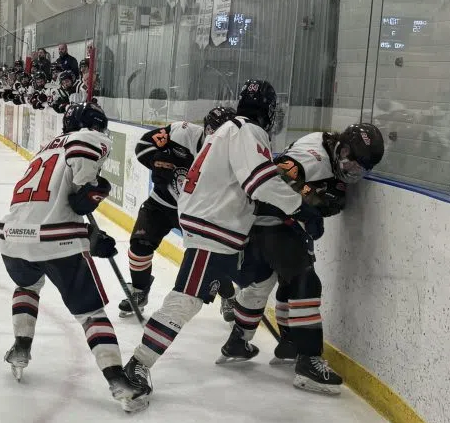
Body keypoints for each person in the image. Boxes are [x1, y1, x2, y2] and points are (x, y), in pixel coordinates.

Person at [121, 79, 322, 406]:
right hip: (213, 227)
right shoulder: (248, 130)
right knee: (186, 300)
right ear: (270, 110)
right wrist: (300, 207)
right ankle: (137, 365)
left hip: (221, 227)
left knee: (261, 276)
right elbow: (260, 182)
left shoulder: (229, 129)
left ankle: (238, 342)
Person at [0, 102, 148, 412]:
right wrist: (94, 194)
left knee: (28, 286)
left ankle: (20, 348)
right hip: (56, 240)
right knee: (91, 314)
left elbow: (60, 200)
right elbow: (81, 198)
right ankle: (119, 382)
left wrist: (89, 233)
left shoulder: (46, 149)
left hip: (12, 236)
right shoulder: (88, 138)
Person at [223, 123, 384, 395]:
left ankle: (242, 341)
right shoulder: (315, 158)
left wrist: (314, 200)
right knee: (305, 282)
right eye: (351, 163)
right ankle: (308, 359)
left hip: (262, 222)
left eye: (359, 169)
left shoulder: (324, 142)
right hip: (273, 223)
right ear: (342, 148)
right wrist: (310, 204)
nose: (351, 171)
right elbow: (277, 173)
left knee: (266, 283)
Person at [118, 106, 236, 318]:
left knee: (209, 258)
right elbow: (144, 145)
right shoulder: (180, 132)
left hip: (198, 214)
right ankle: (139, 290)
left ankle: (228, 295)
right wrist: (156, 161)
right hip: (161, 203)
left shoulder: (232, 157)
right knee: (139, 246)